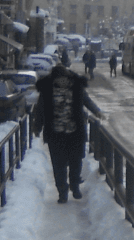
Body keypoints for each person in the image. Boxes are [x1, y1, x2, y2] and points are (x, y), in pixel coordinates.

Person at [32, 61, 104, 203]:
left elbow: (87, 101)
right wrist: (37, 127)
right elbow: (40, 110)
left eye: (64, 79)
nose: (62, 82)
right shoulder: (47, 90)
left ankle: (75, 186)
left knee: (75, 162)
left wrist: (97, 111)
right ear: (53, 80)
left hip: (75, 133)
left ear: (69, 78)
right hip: (55, 134)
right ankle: (62, 192)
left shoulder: (77, 87)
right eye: (59, 80)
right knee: (58, 165)